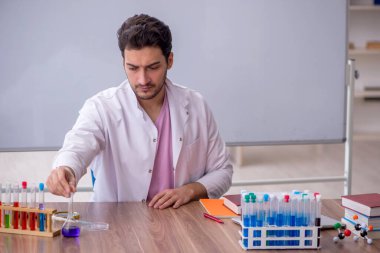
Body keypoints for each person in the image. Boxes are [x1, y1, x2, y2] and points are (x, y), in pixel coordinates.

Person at [46, 14, 233, 209]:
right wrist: (66, 169)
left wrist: (190, 190)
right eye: (133, 68)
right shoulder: (102, 108)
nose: (142, 80)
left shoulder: (196, 105)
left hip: (181, 224)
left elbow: (222, 171)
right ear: (123, 63)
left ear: (169, 60)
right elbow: (77, 146)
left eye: (153, 67)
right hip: (119, 226)